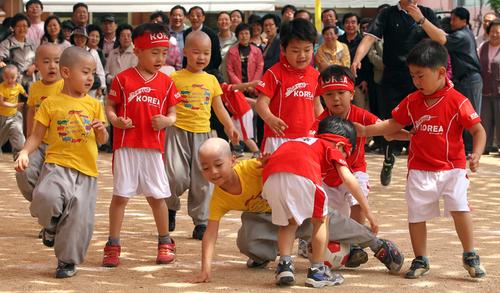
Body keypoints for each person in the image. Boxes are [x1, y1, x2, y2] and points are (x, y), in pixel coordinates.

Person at [356, 39, 487, 279]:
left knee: (460, 208)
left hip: (453, 169)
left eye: (420, 76)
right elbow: (392, 124)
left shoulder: (458, 100)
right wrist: (365, 131)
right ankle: (420, 259)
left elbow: (478, 130)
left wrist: (477, 152)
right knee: (416, 214)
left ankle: (470, 254)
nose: (416, 82)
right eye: (413, 76)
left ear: (440, 72)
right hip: (419, 169)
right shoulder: (413, 100)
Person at [190, 137, 403, 284]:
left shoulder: (251, 168)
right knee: (246, 239)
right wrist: (205, 268)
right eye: (205, 168)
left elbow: (282, 164)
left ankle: (376, 243)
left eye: (218, 164)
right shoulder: (218, 197)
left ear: (233, 160)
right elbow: (210, 233)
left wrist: (266, 162)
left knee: (330, 222)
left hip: (296, 207)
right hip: (270, 219)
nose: (213, 172)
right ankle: (274, 257)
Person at [14, 46, 108, 278]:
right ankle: (50, 226)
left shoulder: (95, 105)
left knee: (78, 220)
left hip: (87, 172)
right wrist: (24, 152)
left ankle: (66, 261)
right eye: (85, 72)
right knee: (45, 197)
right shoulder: (50, 103)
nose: (90, 78)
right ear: (66, 72)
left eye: (92, 73)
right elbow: (37, 136)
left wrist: (100, 131)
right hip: (57, 165)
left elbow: (103, 139)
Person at [263, 116, 378, 288]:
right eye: (347, 153)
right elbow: (349, 179)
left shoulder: (302, 141)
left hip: (271, 178)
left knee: (288, 222)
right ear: (341, 146)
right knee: (321, 220)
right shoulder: (331, 147)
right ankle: (318, 271)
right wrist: (367, 211)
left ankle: (285, 266)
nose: (344, 158)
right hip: (302, 175)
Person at [101, 23, 181, 268]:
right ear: (138, 51)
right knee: (120, 196)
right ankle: (112, 245)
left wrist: (166, 120)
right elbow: (110, 106)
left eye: (164, 53)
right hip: (126, 147)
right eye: (154, 52)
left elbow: (173, 113)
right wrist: (116, 121)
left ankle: (165, 241)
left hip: (153, 149)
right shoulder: (122, 79)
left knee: (157, 197)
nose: (160, 58)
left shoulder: (167, 82)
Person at [351, 0, 446, 186]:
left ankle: (424, 164)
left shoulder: (427, 13)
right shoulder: (387, 14)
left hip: (422, 78)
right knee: (391, 124)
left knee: (424, 122)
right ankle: (388, 158)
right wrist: (356, 59)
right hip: (393, 77)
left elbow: (442, 39)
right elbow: (369, 38)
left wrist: (421, 19)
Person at [165, 31, 238, 240]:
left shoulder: (211, 80)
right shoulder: (173, 78)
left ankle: (201, 222)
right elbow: (165, 105)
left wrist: (229, 126)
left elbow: (219, 108)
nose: (201, 57)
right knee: (175, 176)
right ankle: (170, 207)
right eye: (196, 52)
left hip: (202, 135)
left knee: (203, 180)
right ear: (185, 52)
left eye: (206, 53)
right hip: (176, 132)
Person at [255, 18, 322, 154]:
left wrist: (326, 125)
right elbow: (261, 104)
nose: (302, 56)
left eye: (307, 50)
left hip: (307, 137)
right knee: (276, 174)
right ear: (283, 49)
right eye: (295, 51)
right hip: (278, 138)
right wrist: (269, 118)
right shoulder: (274, 73)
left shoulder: (315, 75)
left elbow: (317, 106)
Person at [15, 43, 64, 202]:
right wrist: (28, 138)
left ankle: (49, 213)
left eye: (57, 61)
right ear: (36, 65)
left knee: (52, 184)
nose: (52, 66)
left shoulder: (66, 86)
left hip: (60, 146)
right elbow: (30, 110)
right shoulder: (35, 87)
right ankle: (40, 206)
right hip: (38, 143)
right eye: (46, 61)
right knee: (23, 172)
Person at [445, 7, 483, 154]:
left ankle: (471, 149)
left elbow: (444, 40)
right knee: (461, 114)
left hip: (470, 79)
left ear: (464, 20)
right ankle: (465, 148)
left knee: (471, 115)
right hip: (463, 80)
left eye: (454, 19)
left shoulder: (462, 35)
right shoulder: (461, 34)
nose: (452, 22)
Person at [339, 13, 372, 110]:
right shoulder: (338, 41)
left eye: (353, 22)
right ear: (343, 25)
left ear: (358, 25)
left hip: (359, 82)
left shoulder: (363, 42)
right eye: (347, 22)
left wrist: (365, 80)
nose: (350, 25)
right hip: (342, 82)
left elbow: (368, 63)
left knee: (360, 109)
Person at [219, 80, 260, 157]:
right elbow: (244, 98)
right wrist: (257, 103)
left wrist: (250, 84)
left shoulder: (223, 87)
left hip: (242, 113)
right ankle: (238, 149)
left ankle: (257, 153)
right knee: (228, 128)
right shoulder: (230, 92)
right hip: (237, 114)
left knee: (245, 137)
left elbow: (235, 86)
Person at [479, 19, 500, 154]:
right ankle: (485, 146)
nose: (495, 34)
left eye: (498, 32)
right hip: (485, 89)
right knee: (485, 119)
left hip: (499, 90)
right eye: (492, 31)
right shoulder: (483, 46)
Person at [0, 13, 37, 90]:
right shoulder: (6, 44)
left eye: (24, 26)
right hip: (12, 83)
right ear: (13, 28)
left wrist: (34, 66)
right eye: (18, 26)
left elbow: (39, 60)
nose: (22, 29)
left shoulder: (32, 43)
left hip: (31, 81)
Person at [183, 6, 222, 72]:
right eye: (192, 16)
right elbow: (186, 55)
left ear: (203, 18)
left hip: (208, 72)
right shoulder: (186, 33)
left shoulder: (212, 34)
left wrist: (204, 71)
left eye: (198, 16)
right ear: (188, 17)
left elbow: (217, 57)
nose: (195, 18)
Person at [0, 65, 26, 159]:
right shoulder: (2, 87)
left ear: (17, 77)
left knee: (18, 132)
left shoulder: (18, 86)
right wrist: (15, 105)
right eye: (7, 78)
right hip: (3, 116)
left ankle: (19, 155)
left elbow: (25, 94)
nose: (10, 80)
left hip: (14, 115)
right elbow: (1, 102)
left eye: (12, 77)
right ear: (3, 77)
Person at [217, 12, 237, 81]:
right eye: (221, 19)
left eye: (226, 19)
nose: (223, 22)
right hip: (216, 77)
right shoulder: (213, 39)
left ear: (231, 22)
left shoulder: (237, 40)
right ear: (217, 23)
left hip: (233, 77)